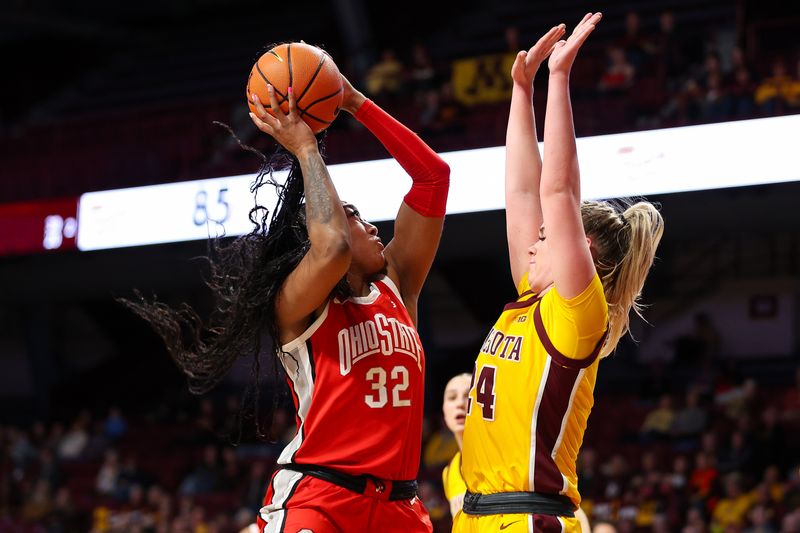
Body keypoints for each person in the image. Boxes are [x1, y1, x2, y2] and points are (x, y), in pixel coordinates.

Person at [125, 68, 449, 532]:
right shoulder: (295, 303)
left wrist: (355, 102)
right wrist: (305, 149)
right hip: (321, 498)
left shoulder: (399, 283)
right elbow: (333, 246)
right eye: (356, 217)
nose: (374, 226)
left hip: (399, 507)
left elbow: (433, 176)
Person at [454, 12, 664, 533]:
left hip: (529, 517)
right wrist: (520, 92)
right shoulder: (531, 296)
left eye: (545, 237)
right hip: (479, 517)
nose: (532, 245)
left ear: (582, 249)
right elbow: (523, 192)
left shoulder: (578, 312)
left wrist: (560, 79)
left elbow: (556, 192)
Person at [441, 373, 471, 517]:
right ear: (444, 411)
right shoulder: (448, 473)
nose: (460, 403)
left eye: (468, 396)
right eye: (452, 398)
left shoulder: (501, 458)